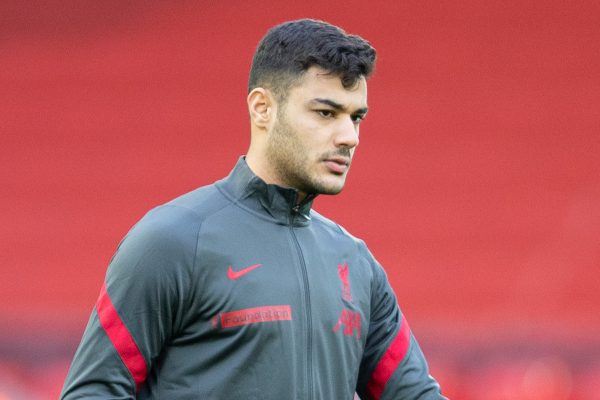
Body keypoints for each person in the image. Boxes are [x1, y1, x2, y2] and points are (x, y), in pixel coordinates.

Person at [61, 19, 446, 399]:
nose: (349, 137)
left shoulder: (356, 263)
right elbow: (93, 392)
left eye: (356, 117)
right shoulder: (172, 241)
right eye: (326, 113)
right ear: (262, 108)